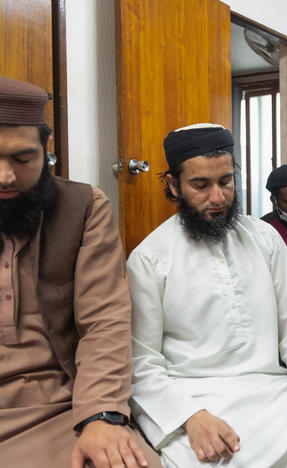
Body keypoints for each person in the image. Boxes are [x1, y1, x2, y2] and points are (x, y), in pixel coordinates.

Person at [127, 124, 287, 468]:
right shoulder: (149, 258)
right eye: (201, 185)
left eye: (225, 181)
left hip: (272, 390)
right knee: (213, 459)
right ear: (173, 185)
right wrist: (191, 417)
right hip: (194, 399)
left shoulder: (264, 239)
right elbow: (142, 362)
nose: (218, 197)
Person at [0, 76, 161, 467]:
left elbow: (104, 319)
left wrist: (101, 415)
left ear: (45, 151)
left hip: (64, 405)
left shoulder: (83, 207)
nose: (5, 176)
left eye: (22, 160)